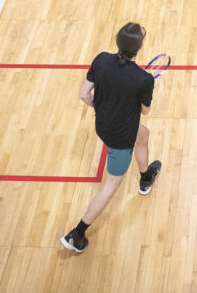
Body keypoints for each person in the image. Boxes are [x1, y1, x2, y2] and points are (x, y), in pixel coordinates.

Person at [61, 22, 162, 253]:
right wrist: (142, 90)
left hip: (103, 124)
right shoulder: (143, 79)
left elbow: (83, 94)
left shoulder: (101, 60)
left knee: (143, 135)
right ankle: (77, 234)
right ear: (139, 48)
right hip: (120, 138)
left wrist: (104, 106)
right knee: (110, 186)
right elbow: (145, 111)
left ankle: (146, 176)